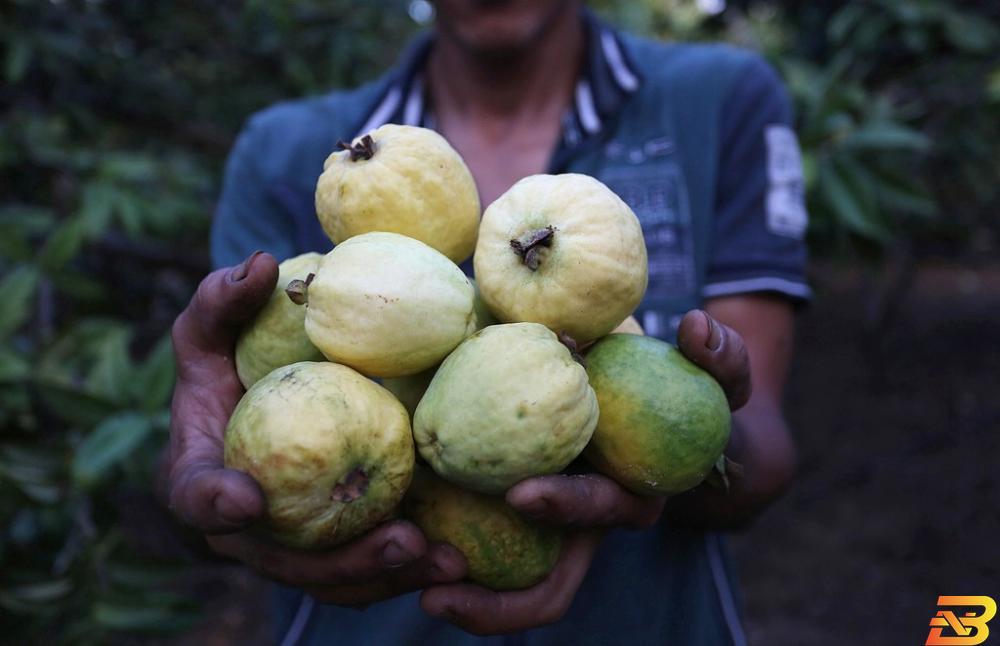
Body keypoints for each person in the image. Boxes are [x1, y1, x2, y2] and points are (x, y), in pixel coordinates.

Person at [165, 1, 809, 643]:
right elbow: (231, 419)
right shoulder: (281, 152)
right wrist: (237, 485)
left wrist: (689, 452)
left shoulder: (719, 100)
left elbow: (763, 457)